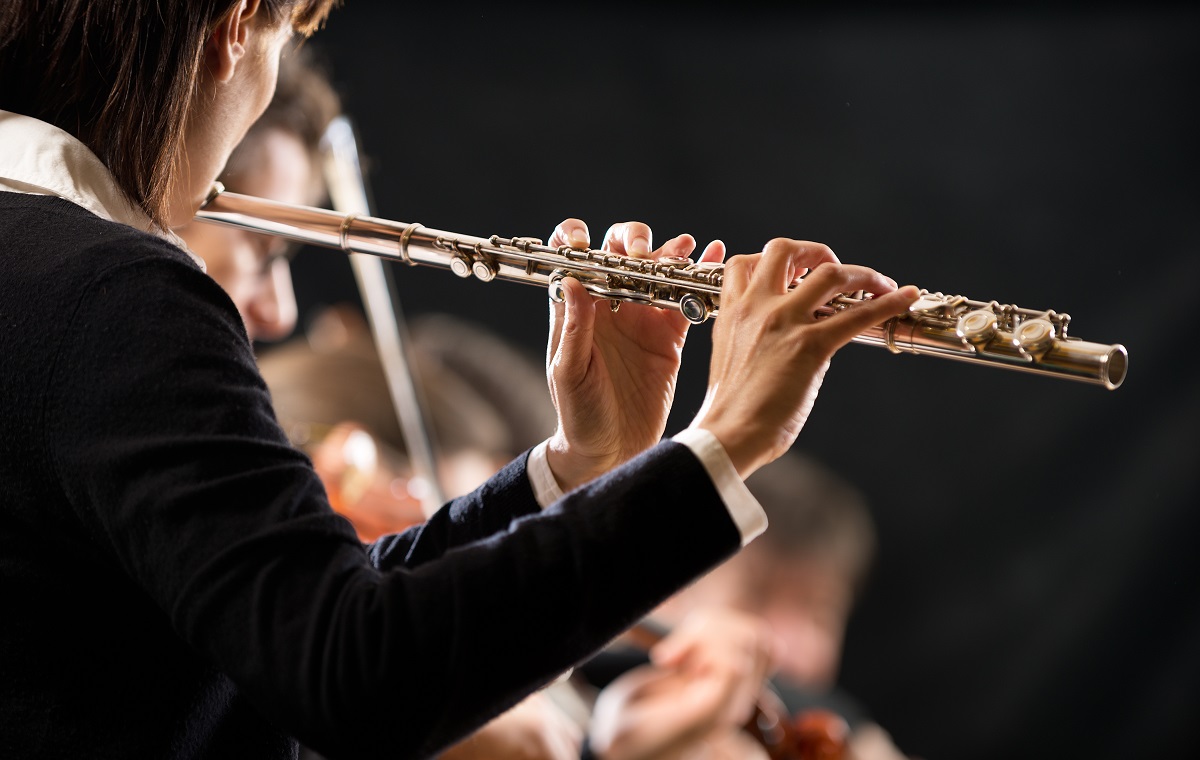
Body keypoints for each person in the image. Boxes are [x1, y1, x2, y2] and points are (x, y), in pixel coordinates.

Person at [0, 2, 920, 759]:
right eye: (286, 39)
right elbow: (352, 677)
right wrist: (726, 440)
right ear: (239, 24)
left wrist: (582, 464)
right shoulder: (111, 289)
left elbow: (293, 627)